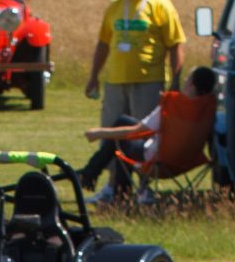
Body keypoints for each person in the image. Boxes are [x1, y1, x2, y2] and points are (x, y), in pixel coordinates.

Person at [81, 0, 185, 205]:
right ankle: (112, 187)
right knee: (112, 134)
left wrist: (176, 81)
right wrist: (94, 75)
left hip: (148, 82)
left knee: (143, 138)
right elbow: (103, 43)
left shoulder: (161, 5)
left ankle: (144, 188)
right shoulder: (114, 6)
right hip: (115, 82)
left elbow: (176, 44)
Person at [81, 66, 217, 201]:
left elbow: (136, 131)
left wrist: (98, 133)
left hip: (158, 161)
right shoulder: (209, 109)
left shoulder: (173, 105)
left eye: (187, 78)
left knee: (121, 136)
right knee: (124, 122)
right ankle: (92, 174)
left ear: (191, 86)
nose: (184, 80)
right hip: (186, 161)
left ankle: (105, 184)